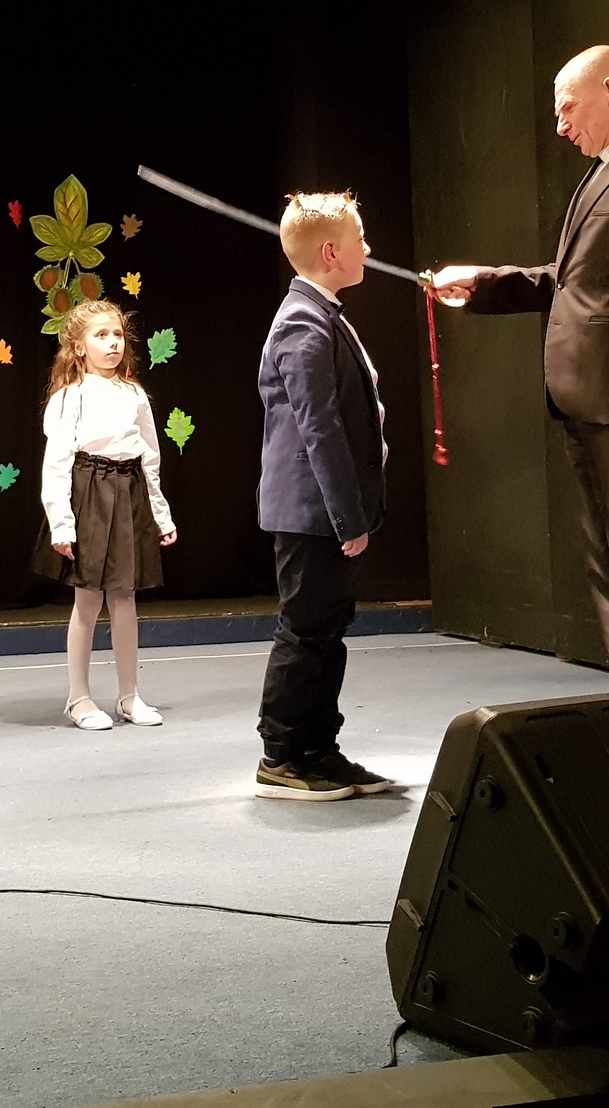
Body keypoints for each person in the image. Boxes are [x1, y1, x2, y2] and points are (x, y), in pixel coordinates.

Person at [431, 44, 609, 690]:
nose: (560, 127)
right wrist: (482, 284)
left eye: (568, 109)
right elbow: (570, 280)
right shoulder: (601, 174)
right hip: (583, 407)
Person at [252, 193, 393, 800]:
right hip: (312, 513)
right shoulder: (302, 322)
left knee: (326, 631)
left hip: (324, 513)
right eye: (360, 240)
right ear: (332, 252)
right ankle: (282, 757)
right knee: (306, 631)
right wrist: (346, 517)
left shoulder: (322, 314)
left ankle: (318, 750)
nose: (369, 249)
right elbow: (320, 429)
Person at [31, 301, 177, 731]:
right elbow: (56, 463)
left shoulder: (134, 395)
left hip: (128, 489)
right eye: (101, 335)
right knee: (89, 599)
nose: (112, 343)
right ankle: (78, 698)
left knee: (125, 597)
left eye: (117, 335)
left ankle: (129, 695)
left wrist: (162, 515)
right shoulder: (69, 396)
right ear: (79, 347)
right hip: (90, 490)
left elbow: (150, 458)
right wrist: (61, 522)